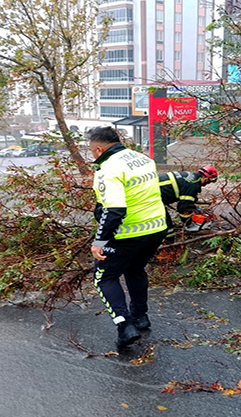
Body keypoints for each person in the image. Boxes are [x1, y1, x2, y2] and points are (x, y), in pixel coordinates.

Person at [89, 127, 167, 349]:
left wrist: (99, 242)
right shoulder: (143, 159)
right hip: (156, 228)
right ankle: (140, 317)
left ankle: (125, 327)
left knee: (104, 277)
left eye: (92, 152)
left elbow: (113, 210)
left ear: (98, 149)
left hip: (128, 233)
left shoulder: (107, 169)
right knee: (135, 269)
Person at [158, 166, 218, 242]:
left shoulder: (190, 177)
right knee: (167, 228)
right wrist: (189, 223)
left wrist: (193, 208)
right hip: (150, 198)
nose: (207, 184)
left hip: (149, 192)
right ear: (206, 178)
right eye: (210, 180)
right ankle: (167, 248)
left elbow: (185, 199)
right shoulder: (193, 185)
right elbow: (183, 208)